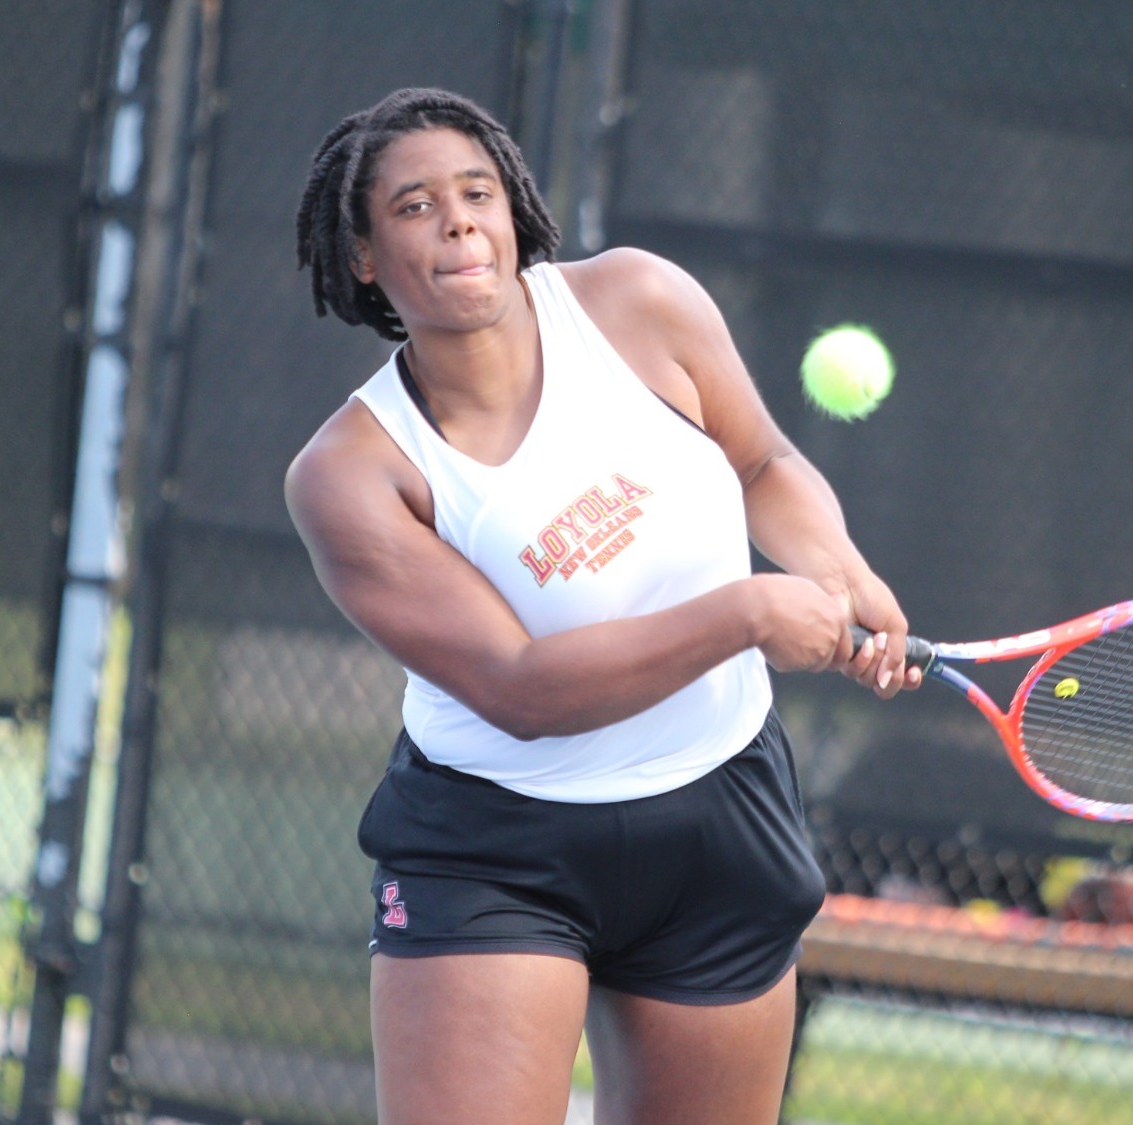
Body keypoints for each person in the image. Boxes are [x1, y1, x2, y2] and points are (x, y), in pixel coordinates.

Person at [286, 87, 919, 1125]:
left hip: (718, 816)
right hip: (495, 851)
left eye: (475, 191)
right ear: (361, 257)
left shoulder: (636, 301)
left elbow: (761, 462)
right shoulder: (350, 474)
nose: (456, 220)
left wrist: (839, 569)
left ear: (510, 206)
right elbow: (518, 688)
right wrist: (751, 612)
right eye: (411, 207)